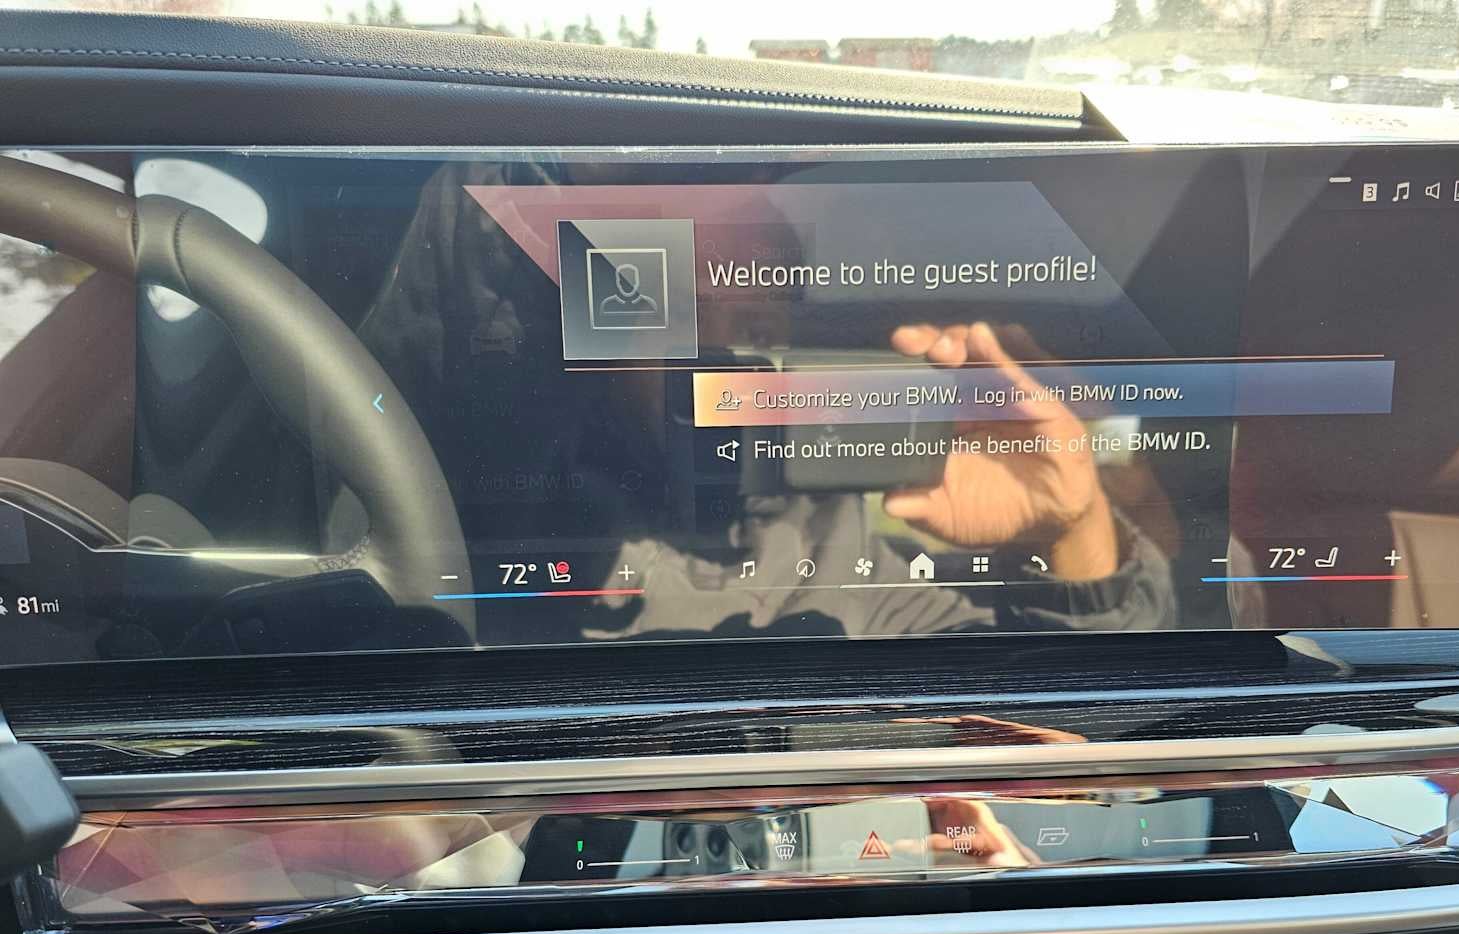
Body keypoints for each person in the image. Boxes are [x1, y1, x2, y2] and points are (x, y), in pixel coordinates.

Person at [360, 161, 1175, 643]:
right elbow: (475, 278)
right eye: (676, 299)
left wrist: (1071, 528)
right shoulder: (479, 516)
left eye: (757, 314)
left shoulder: (843, 553)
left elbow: (1072, 741)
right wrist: (590, 172)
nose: (722, 345)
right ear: (593, 320)